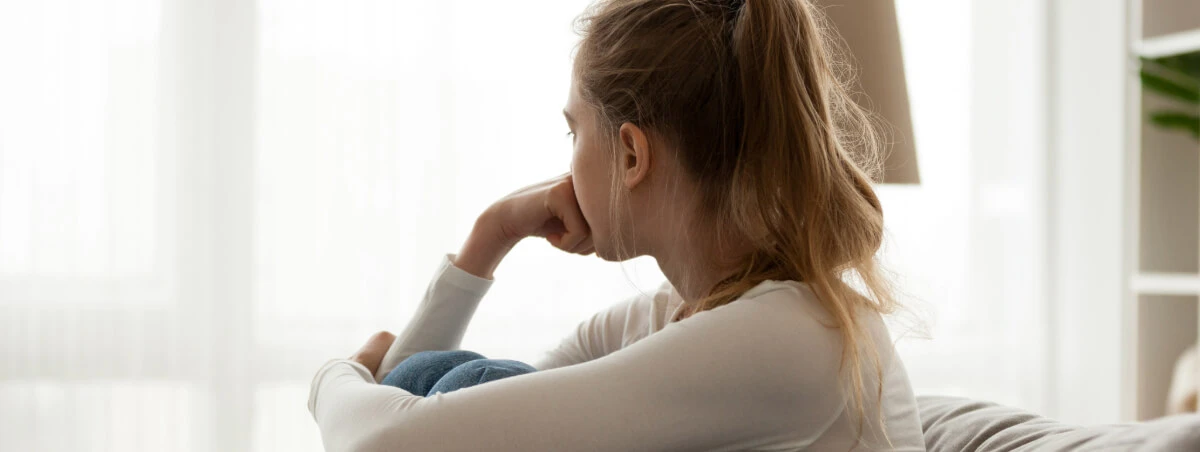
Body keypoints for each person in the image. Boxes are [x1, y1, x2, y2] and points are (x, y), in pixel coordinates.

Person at [307, 0, 925, 450]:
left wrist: (335, 377)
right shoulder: (670, 316)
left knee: (465, 382)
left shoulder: (791, 336)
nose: (567, 162)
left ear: (631, 155)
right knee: (461, 381)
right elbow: (438, 406)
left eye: (573, 132)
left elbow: (387, 441)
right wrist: (491, 234)